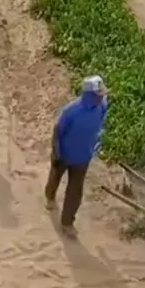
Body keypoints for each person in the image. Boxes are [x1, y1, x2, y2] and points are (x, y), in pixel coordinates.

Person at [45, 74, 108, 237]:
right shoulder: (71, 111)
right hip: (64, 154)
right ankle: (50, 196)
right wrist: (56, 152)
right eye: (97, 95)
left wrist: (98, 140)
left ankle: (67, 223)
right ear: (88, 94)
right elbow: (58, 131)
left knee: (75, 191)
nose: (100, 98)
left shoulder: (102, 106)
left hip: (83, 157)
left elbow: (101, 124)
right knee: (55, 176)